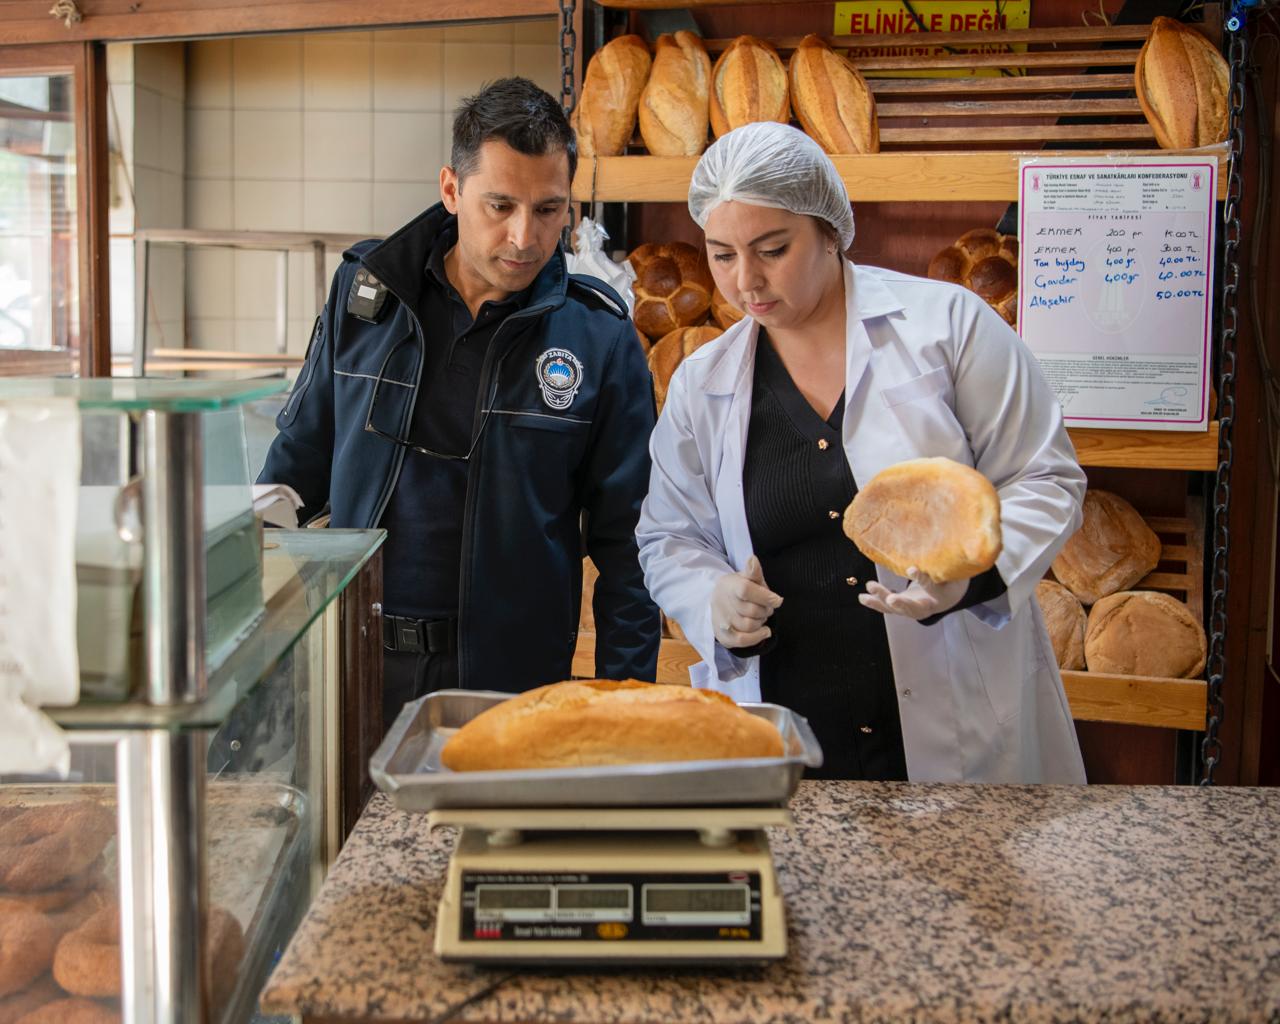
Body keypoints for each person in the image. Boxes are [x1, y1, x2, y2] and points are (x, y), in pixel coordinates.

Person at [636, 122, 1087, 784]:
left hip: (954, 719)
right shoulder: (702, 382)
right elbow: (669, 535)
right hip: (788, 730)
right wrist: (712, 598)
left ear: (830, 231)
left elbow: (1045, 478)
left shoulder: (950, 327)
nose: (746, 281)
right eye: (722, 255)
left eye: (772, 249)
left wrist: (972, 575)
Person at [260, 77, 660, 730]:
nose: (524, 237)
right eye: (499, 205)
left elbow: (631, 549)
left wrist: (627, 712)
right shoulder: (366, 299)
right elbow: (294, 469)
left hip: (513, 685)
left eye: (549, 209)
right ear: (451, 189)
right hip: (356, 669)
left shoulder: (600, 338)